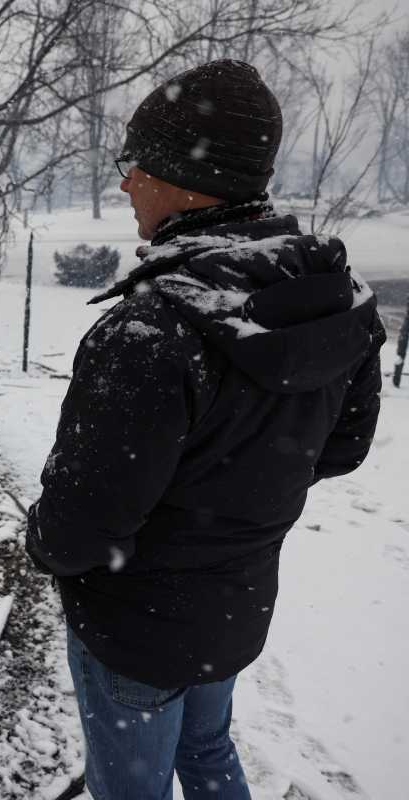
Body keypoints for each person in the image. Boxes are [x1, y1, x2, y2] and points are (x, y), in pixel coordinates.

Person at [25, 59, 385, 800]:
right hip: (234, 611)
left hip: (137, 636)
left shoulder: (149, 334)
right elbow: (341, 448)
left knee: (133, 789)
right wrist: (238, 493)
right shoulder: (334, 301)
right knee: (210, 749)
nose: (125, 182)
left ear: (185, 177)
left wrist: (45, 536)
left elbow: (76, 532)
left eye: (136, 164)